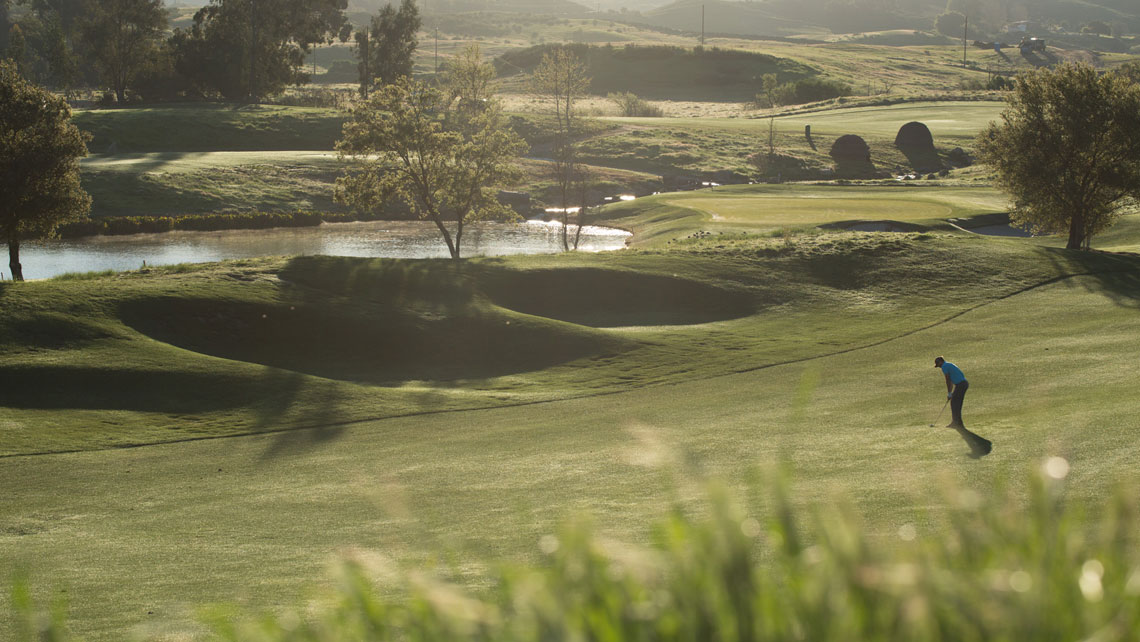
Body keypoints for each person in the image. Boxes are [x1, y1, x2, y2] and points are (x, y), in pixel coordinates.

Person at [934, 356, 968, 429]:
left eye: (938, 364)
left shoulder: (944, 366)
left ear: (941, 362)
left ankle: (956, 422)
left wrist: (949, 393)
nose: (939, 367)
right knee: (956, 403)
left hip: (961, 385)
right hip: (963, 384)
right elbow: (951, 381)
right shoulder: (948, 364)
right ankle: (958, 422)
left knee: (954, 403)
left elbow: (948, 380)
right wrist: (950, 392)